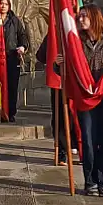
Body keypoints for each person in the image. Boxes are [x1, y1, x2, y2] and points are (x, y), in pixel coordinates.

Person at [63, 5, 103, 196]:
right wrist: (59, 64)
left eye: (84, 16)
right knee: (89, 141)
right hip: (86, 99)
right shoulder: (77, 43)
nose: (81, 19)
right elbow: (68, 68)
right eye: (80, 16)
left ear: (94, 18)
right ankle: (90, 181)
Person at [0, 0, 29, 122]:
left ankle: (11, 113)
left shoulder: (14, 21)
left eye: (5, 4)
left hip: (12, 57)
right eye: (1, 4)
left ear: (9, 6)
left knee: (12, 86)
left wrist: (23, 47)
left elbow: (22, 36)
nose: (3, 6)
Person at [36, 31, 74, 165]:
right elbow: (40, 56)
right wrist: (54, 58)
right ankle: (62, 152)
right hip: (59, 83)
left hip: (78, 83)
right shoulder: (53, 35)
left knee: (77, 117)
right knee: (60, 118)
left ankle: (78, 147)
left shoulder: (81, 33)